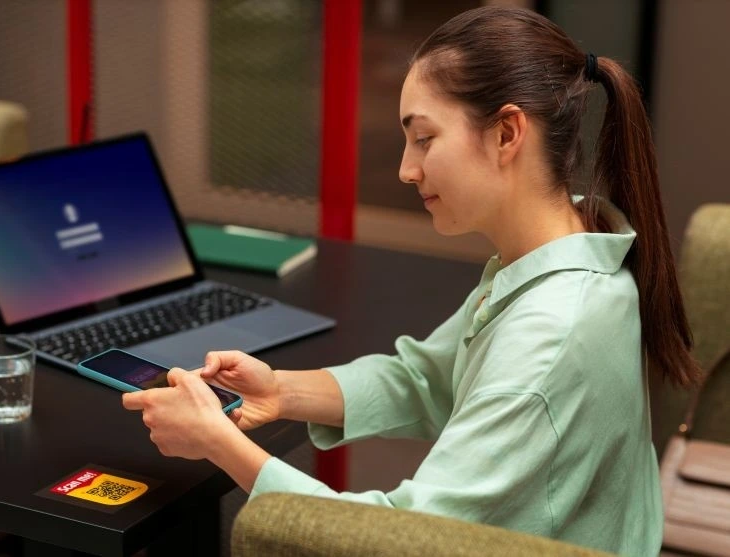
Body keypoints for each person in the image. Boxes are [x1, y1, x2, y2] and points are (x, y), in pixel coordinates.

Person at [122, 6, 700, 555]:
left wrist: (219, 443)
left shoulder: (550, 333)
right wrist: (280, 392)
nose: (405, 168)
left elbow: (400, 539)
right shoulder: (568, 245)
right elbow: (426, 377)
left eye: (424, 138)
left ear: (507, 133)